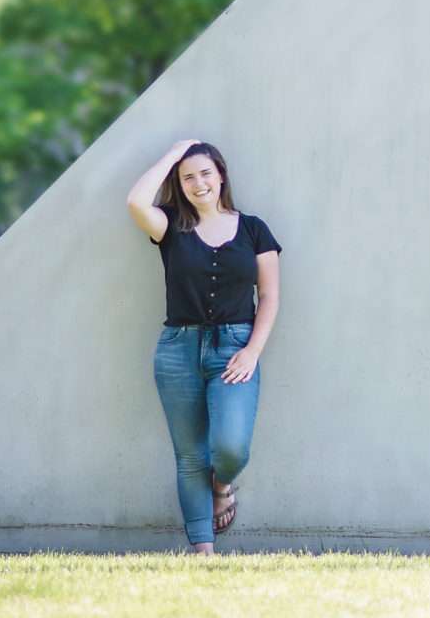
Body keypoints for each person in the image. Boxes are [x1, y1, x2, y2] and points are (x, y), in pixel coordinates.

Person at [126, 139, 282, 556]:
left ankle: (223, 484)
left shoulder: (254, 230)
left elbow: (268, 297)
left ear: (221, 175)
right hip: (177, 350)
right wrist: (174, 154)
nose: (198, 183)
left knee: (230, 448)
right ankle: (203, 553)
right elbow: (136, 202)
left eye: (206, 173)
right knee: (190, 455)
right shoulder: (170, 226)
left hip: (235, 348)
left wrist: (252, 351)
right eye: (188, 176)